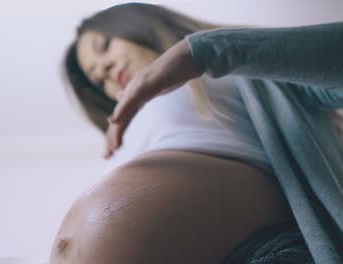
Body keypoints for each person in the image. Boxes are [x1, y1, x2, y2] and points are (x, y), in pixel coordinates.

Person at [50, 3, 343, 264]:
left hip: (262, 249)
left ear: (141, 23)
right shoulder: (124, 136)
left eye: (104, 47)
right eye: (98, 79)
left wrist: (202, 52)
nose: (105, 68)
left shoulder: (250, 69)